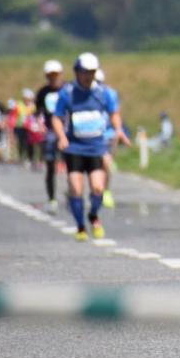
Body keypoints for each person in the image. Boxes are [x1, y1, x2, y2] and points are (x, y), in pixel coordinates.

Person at [51, 53, 129, 241]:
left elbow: (114, 113)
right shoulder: (67, 93)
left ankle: (93, 214)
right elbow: (57, 117)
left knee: (97, 188)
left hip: (96, 147)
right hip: (75, 148)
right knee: (76, 189)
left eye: (92, 72)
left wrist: (118, 130)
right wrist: (61, 136)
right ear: (77, 72)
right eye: (85, 72)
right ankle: (80, 227)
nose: (88, 76)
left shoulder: (104, 93)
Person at [35, 60, 64, 213]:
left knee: (73, 163)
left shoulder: (67, 90)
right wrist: (39, 124)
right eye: (50, 75)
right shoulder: (43, 92)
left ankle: (73, 192)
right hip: (50, 131)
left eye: (55, 75)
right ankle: (52, 197)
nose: (53, 78)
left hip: (67, 130)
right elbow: (38, 112)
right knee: (50, 165)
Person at [95, 69, 122, 209]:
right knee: (95, 166)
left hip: (108, 133)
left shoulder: (110, 94)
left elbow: (115, 113)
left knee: (107, 164)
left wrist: (117, 132)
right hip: (92, 135)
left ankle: (105, 191)